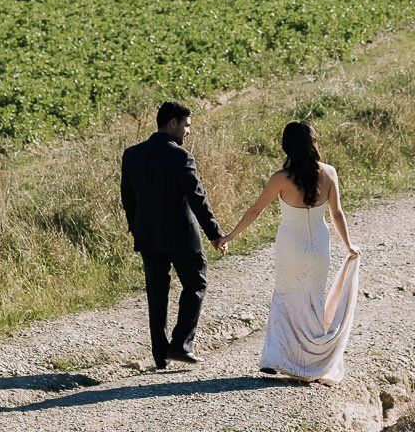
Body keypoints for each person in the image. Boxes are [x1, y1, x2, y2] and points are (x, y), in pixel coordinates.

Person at [220, 121, 362, 384]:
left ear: (287, 146)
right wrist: (348, 245)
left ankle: (277, 358)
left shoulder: (280, 179)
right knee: (312, 300)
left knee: (286, 298)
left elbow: (255, 211)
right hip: (319, 245)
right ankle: (312, 361)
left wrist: (230, 235)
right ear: (314, 143)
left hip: (290, 246)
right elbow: (337, 214)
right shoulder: (329, 173)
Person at [120, 100, 227, 368]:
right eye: (186, 126)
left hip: (148, 236)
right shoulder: (181, 157)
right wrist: (214, 234)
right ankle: (181, 344)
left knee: (156, 294)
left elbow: (127, 198)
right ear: (173, 124)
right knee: (196, 284)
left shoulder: (132, 154)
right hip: (181, 235)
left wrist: (137, 228)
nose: (188, 132)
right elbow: (197, 199)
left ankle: (160, 355)